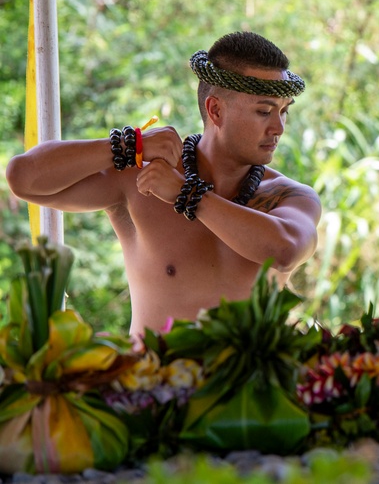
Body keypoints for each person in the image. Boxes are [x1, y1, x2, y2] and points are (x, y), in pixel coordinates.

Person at [6, 31, 322, 336]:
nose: (278, 128)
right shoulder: (143, 178)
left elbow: (286, 250)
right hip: (148, 386)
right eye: (265, 111)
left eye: (284, 112)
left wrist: (188, 195)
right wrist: (126, 145)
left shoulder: (287, 196)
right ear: (215, 110)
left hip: (249, 389)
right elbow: (24, 178)